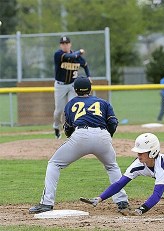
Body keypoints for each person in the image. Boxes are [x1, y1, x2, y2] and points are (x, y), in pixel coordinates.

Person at [29, 77, 129, 214]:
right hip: (103, 135)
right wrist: (106, 137)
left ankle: (47, 203)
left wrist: (75, 140)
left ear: (75, 90)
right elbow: (113, 122)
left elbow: (68, 129)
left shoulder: (71, 104)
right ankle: (122, 201)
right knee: (112, 166)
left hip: (81, 135)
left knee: (54, 164)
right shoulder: (103, 102)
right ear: (90, 89)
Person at [53, 35, 92, 139]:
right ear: (60, 45)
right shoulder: (58, 54)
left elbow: (85, 65)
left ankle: (70, 129)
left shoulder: (77, 57)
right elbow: (70, 57)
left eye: (67, 43)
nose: (65, 45)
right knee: (59, 111)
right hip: (60, 86)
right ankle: (56, 126)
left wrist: (88, 76)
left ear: (70, 44)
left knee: (72, 107)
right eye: (63, 44)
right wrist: (80, 51)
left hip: (72, 86)